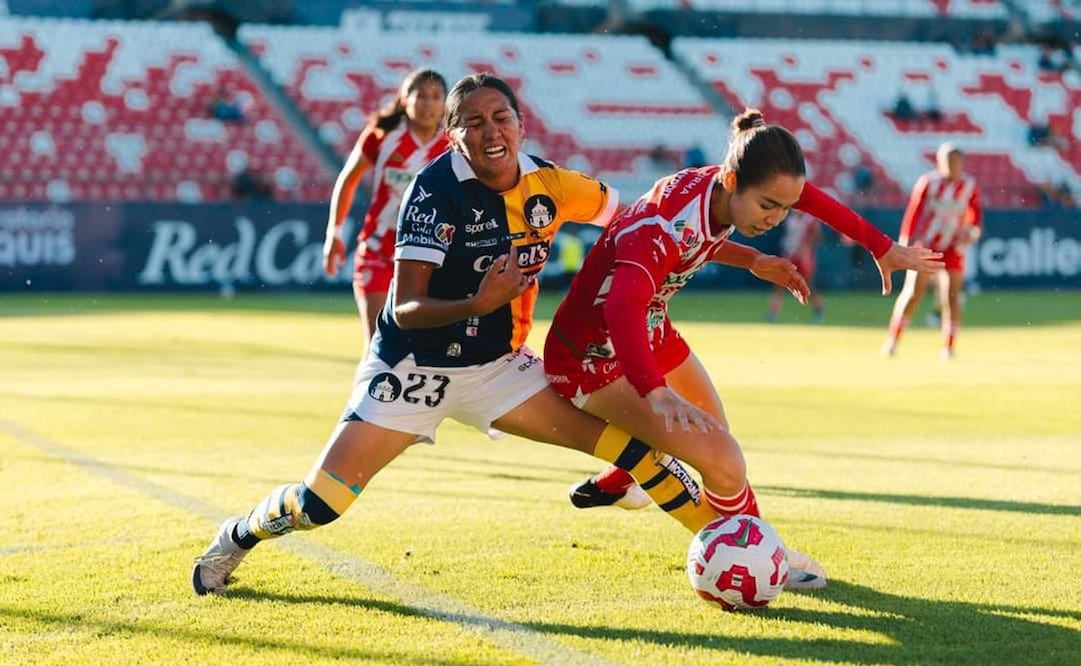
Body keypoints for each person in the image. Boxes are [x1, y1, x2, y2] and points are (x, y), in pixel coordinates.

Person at [192, 73, 735, 596]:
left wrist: (744, 253)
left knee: (638, 453)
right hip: (411, 369)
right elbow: (404, 308)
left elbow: (645, 221)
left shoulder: (552, 184)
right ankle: (239, 534)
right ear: (454, 136)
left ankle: (738, 544)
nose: (490, 131)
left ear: (521, 125)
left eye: (501, 117)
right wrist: (478, 302)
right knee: (321, 505)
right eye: (473, 123)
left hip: (496, 370)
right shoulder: (432, 191)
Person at [544, 109, 943, 589]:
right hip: (589, 356)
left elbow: (809, 201)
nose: (776, 219)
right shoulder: (661, 224)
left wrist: (877, 246)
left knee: (719, 444)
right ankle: (765, 558)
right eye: (768, 206)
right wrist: (653, 389)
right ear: (732, 180)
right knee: (724, 462)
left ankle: (625, 481)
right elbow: (621, 307)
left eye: (783, 210)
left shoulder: (721, 192)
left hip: (650, 328)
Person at [323, 69, 450, 338]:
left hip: (428, 254)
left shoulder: (452, 145)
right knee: (378, 342)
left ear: (445, 103)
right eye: (421, 96)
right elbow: (348, 179)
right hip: (378, 247)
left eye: (436, 96)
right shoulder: (382, 135)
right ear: (405, 99)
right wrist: (334, 232)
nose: (428, 104)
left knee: (422, 346)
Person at [883, 142, 981, 359]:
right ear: (939, 161)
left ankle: (949, 347)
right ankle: (892, 340)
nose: (952, 165)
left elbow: (976, 215)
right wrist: (906, 243)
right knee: (913, 293)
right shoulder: (928, 182)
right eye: (948, 160)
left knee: (952, 296)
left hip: (953, 245)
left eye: (956, 161)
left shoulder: (969, 185)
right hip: (927, 245)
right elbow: (913, 214)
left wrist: (972, 232)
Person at [767, 210, 823, 322]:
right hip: (789, 253)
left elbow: (818, 237)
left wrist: (805, 247)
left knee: (807, 285)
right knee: (780, 282)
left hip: (804, 257)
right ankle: (772, 312)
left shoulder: (810, 219)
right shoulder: (790, 218)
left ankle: (818, 310)